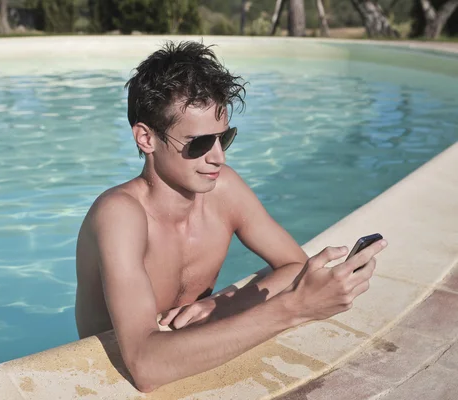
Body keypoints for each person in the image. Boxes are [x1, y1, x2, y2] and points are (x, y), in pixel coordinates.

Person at [74, 40, 386, 393]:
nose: (218, 158)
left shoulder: (223, 190)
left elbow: (294, 266)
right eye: (199, 144)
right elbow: (146, 365)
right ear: (146, 138)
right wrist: (294, 309)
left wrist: (225, 304)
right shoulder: (119, 216)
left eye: (225, 138)